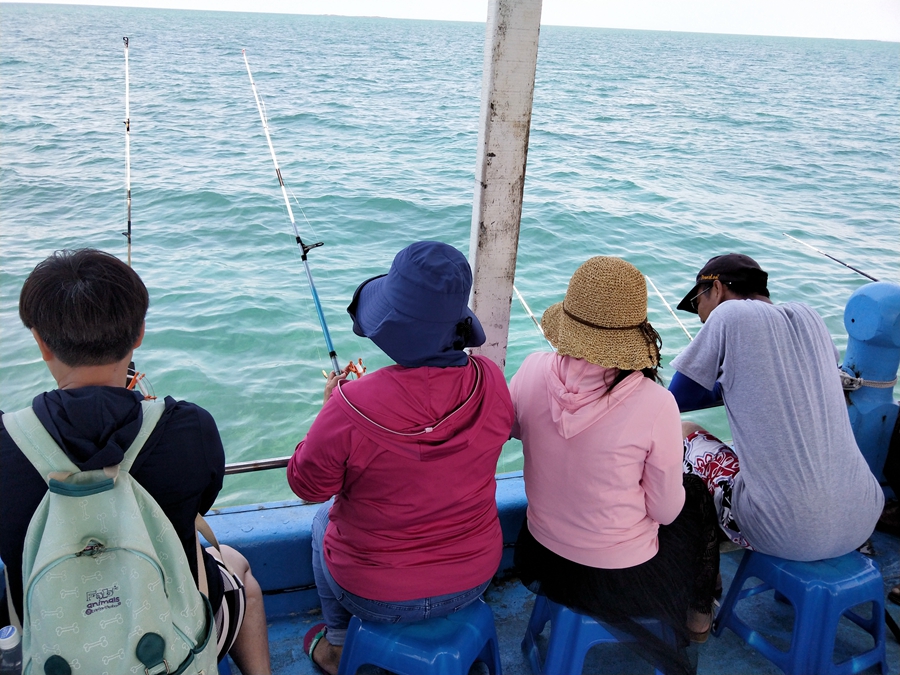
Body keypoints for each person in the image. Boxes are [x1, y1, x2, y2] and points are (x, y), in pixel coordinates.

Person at [0, 249, 271, 674]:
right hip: (172, 650)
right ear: (139, 334)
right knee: (236, 566)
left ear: (39, 341)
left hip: (50, 649)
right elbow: (201, 501)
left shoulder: (5, 441)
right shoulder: (189, 427)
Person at [288, 241, 514, 675]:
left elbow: (306, 485)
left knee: (322, 523)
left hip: (374, 593)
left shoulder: (349, 405)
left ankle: (337, 647)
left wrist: (328, 410)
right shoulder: (492, 380)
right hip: (475, 577)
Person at [511, 256, 719, 675]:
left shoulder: (532, 368)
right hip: (618, 577)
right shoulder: (656, 402)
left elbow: (514, 431)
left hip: (541, 553)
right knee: (694, 498)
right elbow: (664, 511)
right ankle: (699, 615)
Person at [670, 253, 883, 561]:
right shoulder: (811, 316)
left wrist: (725, 383)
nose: (701, 318)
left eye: (698, 305)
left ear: (716, 289)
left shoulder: (728, 314)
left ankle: (705, 577)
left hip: (786, 534)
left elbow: (677, 399)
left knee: (684, 433)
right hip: (864, 517)